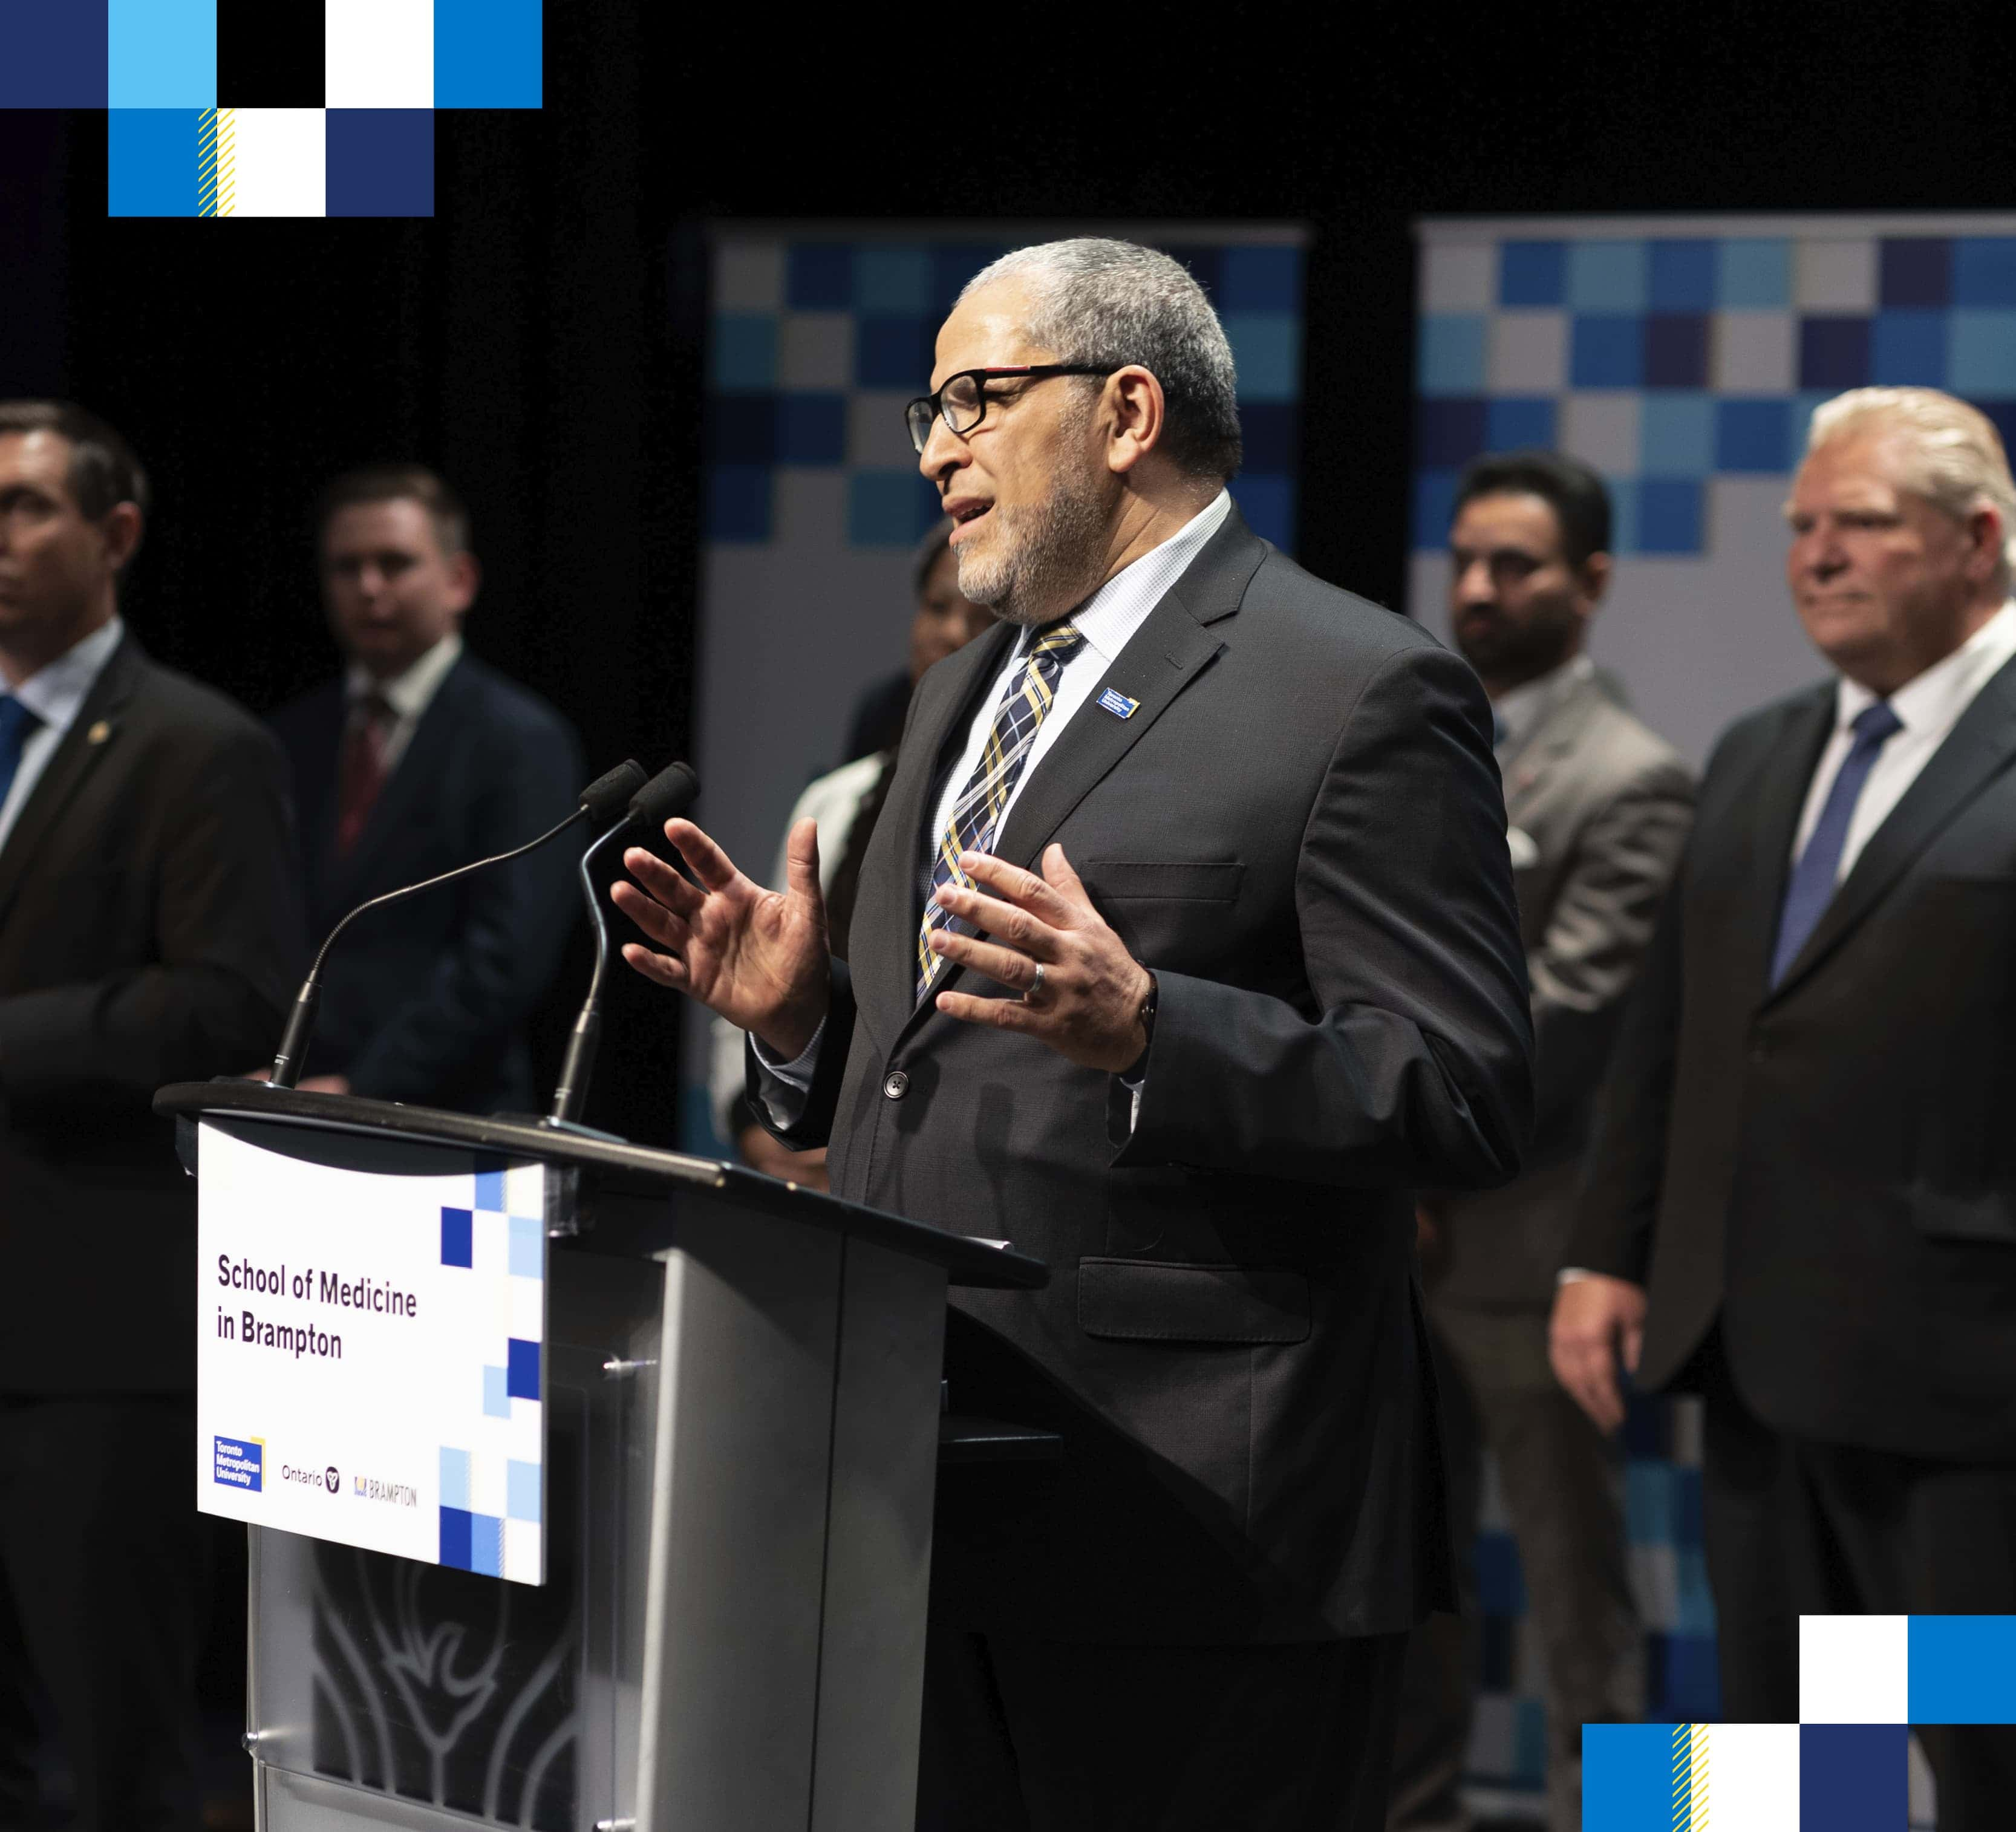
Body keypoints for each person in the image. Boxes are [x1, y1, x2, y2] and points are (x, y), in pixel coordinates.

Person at [610, 238, 1533, 1831]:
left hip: (1195, 1529)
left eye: (974, 397)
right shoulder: (956, 693)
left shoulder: (1360, 687)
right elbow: (932, 1071)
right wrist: (803, 1027)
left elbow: (1460, 1089)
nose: (935, 449)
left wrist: (1157, 1031)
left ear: (1123, 409)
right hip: (924, 1482)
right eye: (928, 411)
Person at [1551, 386, 2016, 1827]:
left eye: (1861, 524)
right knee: (1778, 1766)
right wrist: (1604, 1248)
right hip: (1748, 1354)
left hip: (1965, 1392)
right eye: (1802, 528)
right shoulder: (1759, 745)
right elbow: (1675, 1030)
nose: (1817, 556)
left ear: (1981, 538)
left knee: (1975, 1758)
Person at [0, 400, 302, 1827]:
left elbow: (231, 1002)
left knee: (119, 1753)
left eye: (23, 505)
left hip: (94, 1330)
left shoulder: (198, 745)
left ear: (114, 533)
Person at [1389, 454, 1692, 1832]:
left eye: (1514, 564)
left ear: (1592, 582)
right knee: (1408, 1568)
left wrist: (1402, 1144)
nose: (1478, 588)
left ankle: (1618, 1819)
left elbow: (1568, 1019)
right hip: (1398, 1229)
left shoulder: (1634, 776)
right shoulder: (1419, 738)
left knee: (1581, 1591)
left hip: (1530, 1236)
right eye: (1464, 557)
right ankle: (1413, 1811)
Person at [269, 466, 584, 1113]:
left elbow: (506, 958)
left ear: (459, 580)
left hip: (450, 1118)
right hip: (288, 1101)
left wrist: (366, 1086)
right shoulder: (289, 735)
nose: (369, 587)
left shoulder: (520, 738)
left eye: (395, 563)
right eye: (346, 567)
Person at [709, 516, 993, 1185]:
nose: (951, 634)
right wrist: (755, 1127)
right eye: (937, 607)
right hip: (799, 1158)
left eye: (983, 618)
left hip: (929, 1163)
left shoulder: (1009, 810)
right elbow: (767, 968)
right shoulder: (837, 798)